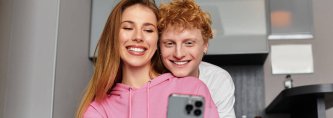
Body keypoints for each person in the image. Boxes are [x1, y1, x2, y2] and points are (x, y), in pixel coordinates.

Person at [76, 0, 219, 118]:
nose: (138, 37)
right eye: (127, 28)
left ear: (158, 41)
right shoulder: (99, 110)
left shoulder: (191, 89)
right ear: (113, 37)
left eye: (148, 30)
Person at [158, 0, 236, 117]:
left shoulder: (218, 81)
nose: (179, 54)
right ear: (159, 46)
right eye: (169, 43)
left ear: (205, 45)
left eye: (189, 43)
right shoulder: (149, 80)